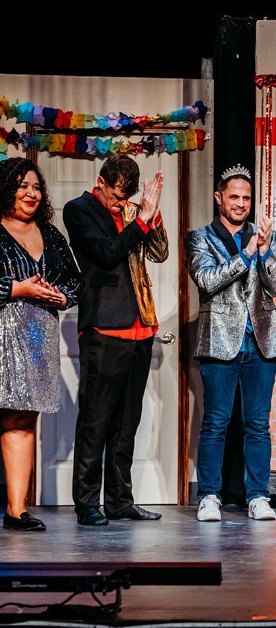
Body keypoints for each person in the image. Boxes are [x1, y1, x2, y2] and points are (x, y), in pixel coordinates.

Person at [62, 156, 168, 526]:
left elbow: (160, 253)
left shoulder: (132, 211)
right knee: (96, 419)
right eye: (115, 194)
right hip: (104, 326)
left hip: (140, 326)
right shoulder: (79, 210)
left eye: (127, 196)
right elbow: (107, 253)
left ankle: (120, 500)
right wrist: (138, 221)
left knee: (127, 421)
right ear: (102, 182)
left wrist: (151, 215)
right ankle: (87, 503)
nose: (119, 202)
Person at [186, 165, 276, 522]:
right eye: (234, 197)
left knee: (257, 424)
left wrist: (262, 253)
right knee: (215, 422)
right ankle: (209, 495)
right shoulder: (200, 238)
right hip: (219, 342)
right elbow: (207, 279)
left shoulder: (265, 237)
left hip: (260, 343)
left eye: (246, 198)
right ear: (219, 198)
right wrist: (245, 255)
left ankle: (259, 496)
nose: (241, 204)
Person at [0, 159, 80, 531]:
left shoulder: (50, 234)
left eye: (36, 187)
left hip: (38, 336)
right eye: (22, 186)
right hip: (3, 331)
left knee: (23, 418)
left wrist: (61, 297)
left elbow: (75, 282)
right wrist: (19, 288)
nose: (31, 193)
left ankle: (17, 511)